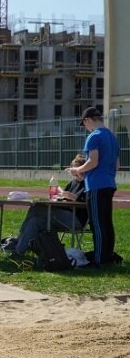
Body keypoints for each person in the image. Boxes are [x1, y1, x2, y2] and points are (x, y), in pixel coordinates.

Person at [65, 107, 120, 267]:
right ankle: (107, 256)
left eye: (85, 125)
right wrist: (88, 172)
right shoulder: (112, 136)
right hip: (109, 183)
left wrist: (77, 170)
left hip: (96, 185)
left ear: (87, 120)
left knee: (97, 223)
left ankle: (100, 259)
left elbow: (93, 161)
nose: (86, 128)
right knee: (106, 223)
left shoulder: (94, 136)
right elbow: (116, 165)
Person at [8, 154, 89, 261]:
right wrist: (60, 197)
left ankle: (18, 240)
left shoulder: (89, 183)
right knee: (35, 220)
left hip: (76, 220)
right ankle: (18, 252)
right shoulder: (72, 183)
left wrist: (74, 197)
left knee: (37, 208)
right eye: (73, 171)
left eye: (77, 170)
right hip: (63, 216)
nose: (75, 174)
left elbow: (88, 203)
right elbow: (64, 199)